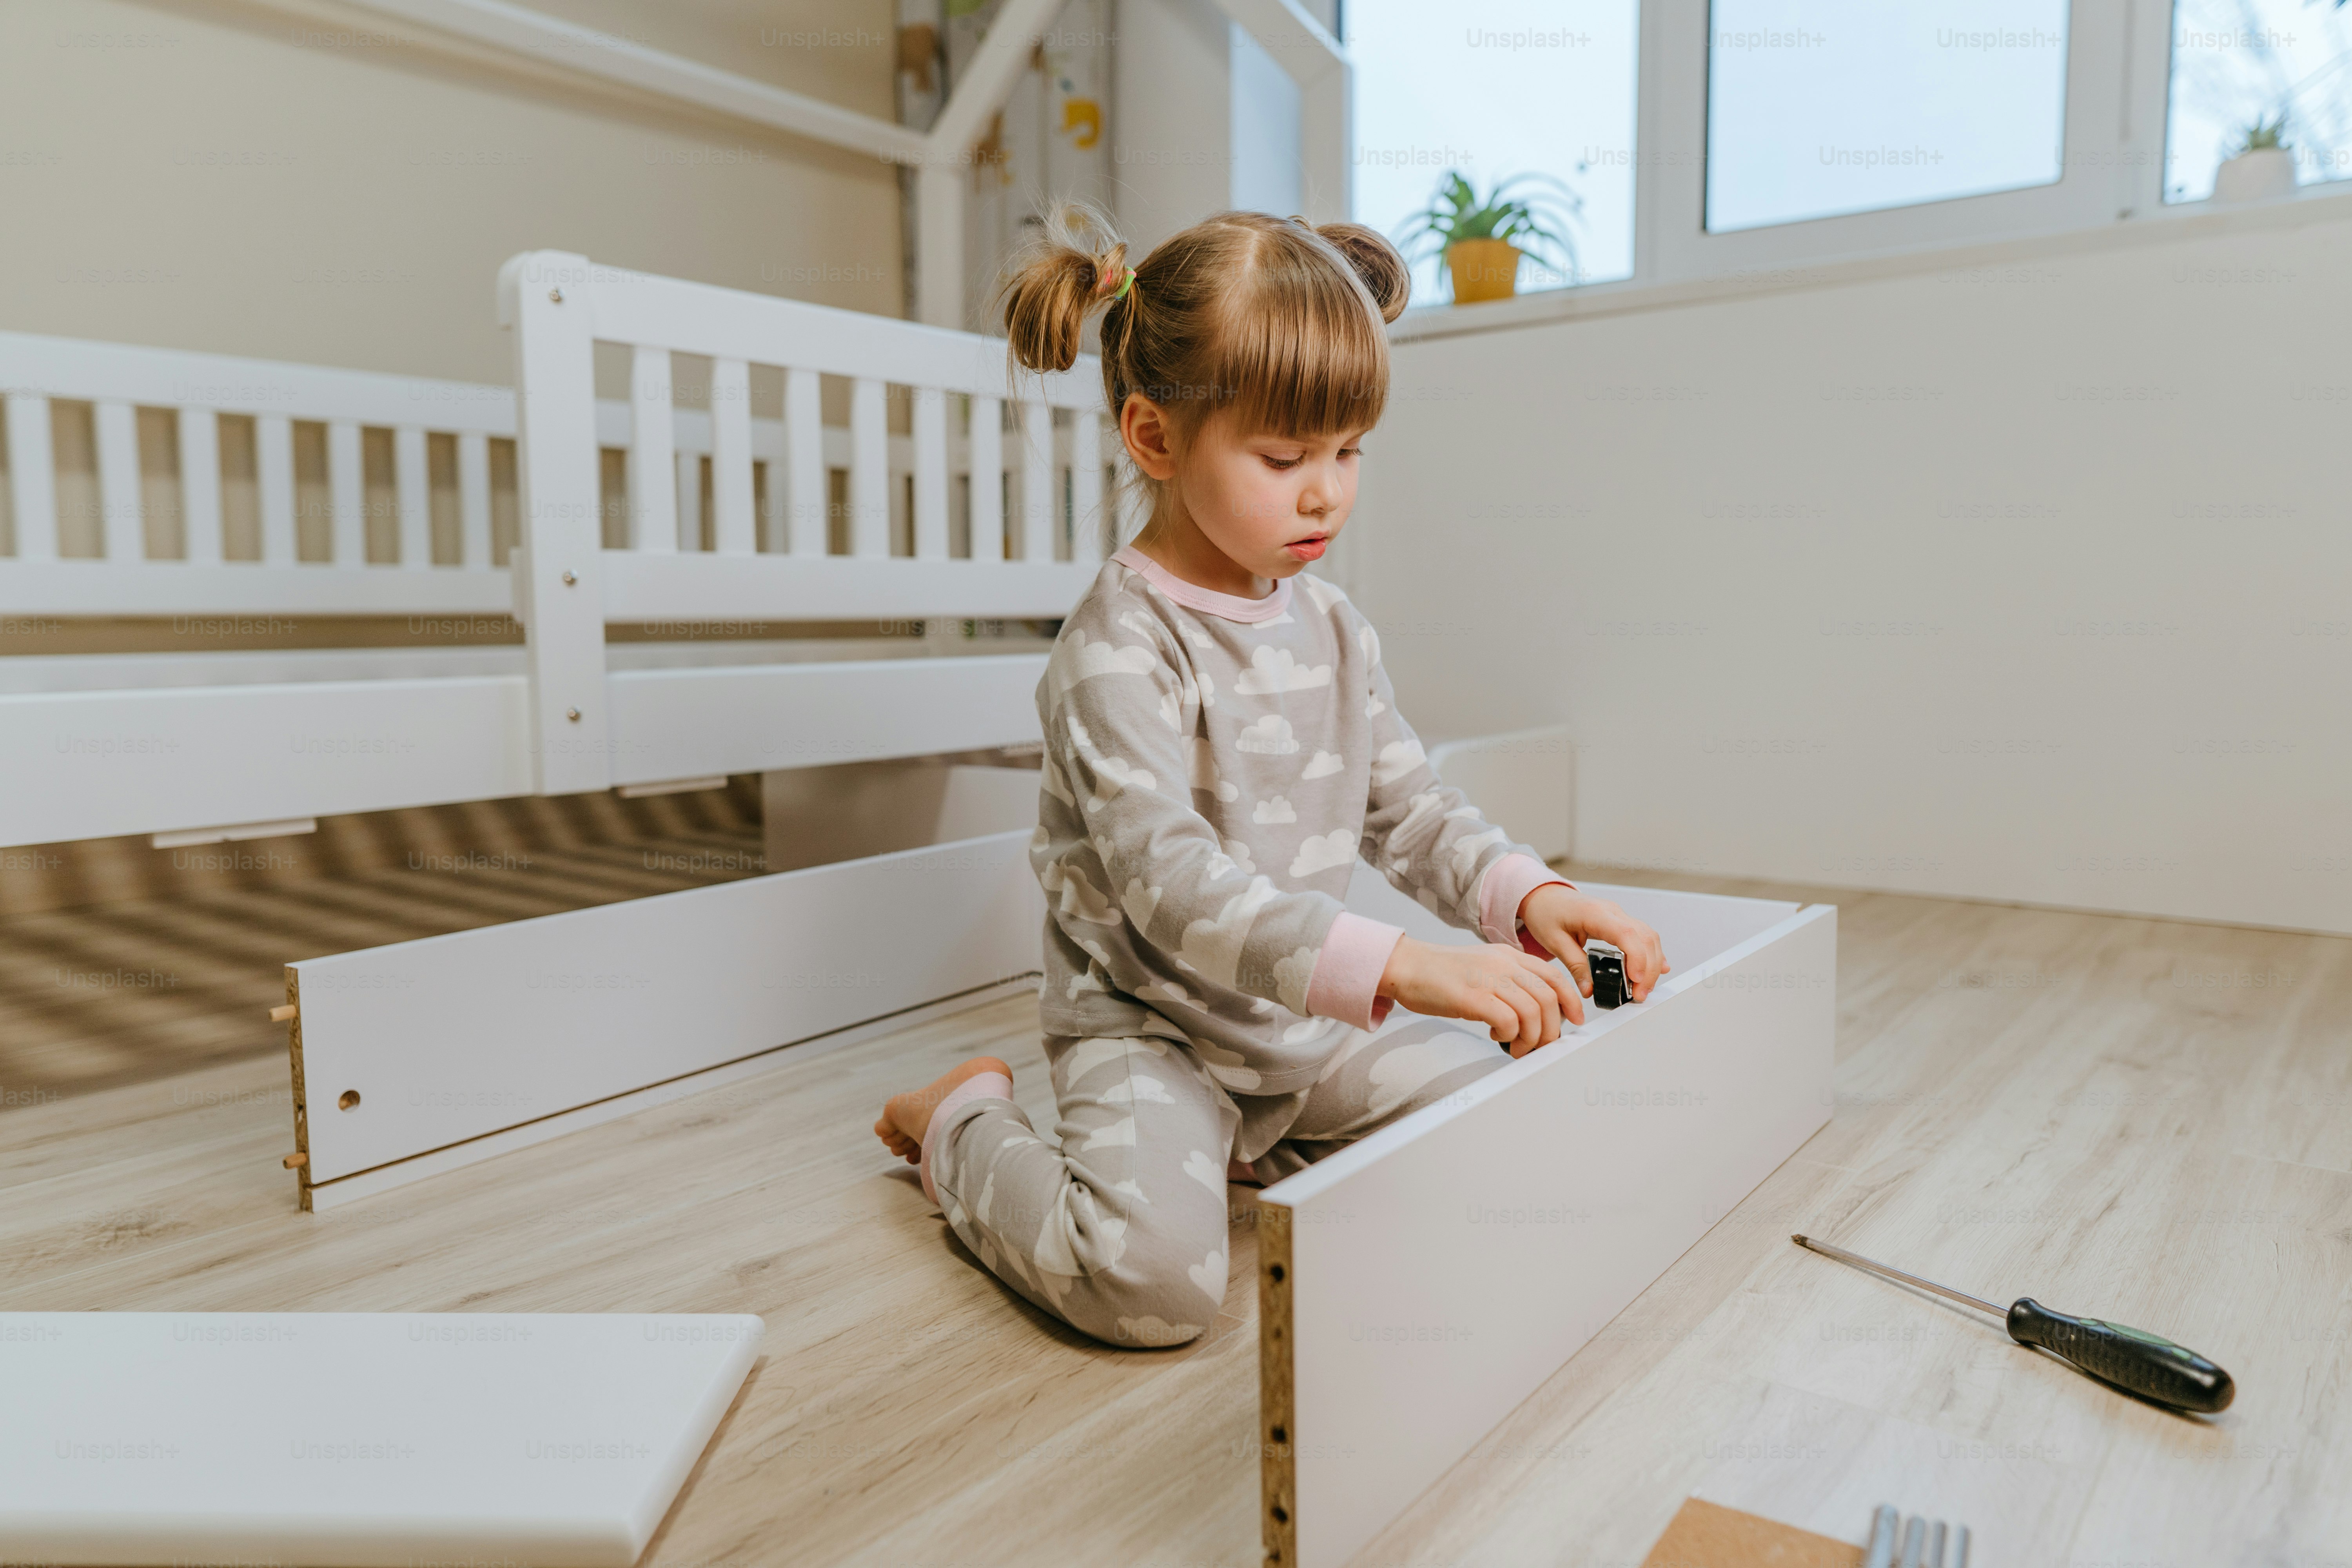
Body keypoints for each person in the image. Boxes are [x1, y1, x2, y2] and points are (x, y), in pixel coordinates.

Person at [875, 207, 1667, 1347]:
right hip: (1151, 1029)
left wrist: (1531, 896)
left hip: (1302, 1033)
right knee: (1150, 1287)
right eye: (1284, 459)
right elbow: (1171, 885)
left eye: (1349, 452)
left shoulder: (1335, 627)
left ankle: (1248, 1153)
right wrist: (1407, 964)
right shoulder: (1117, 647)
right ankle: (959, 1123)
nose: (1325, 493)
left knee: (1505, 1115)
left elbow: (1411, 811)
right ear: (1155, 437)